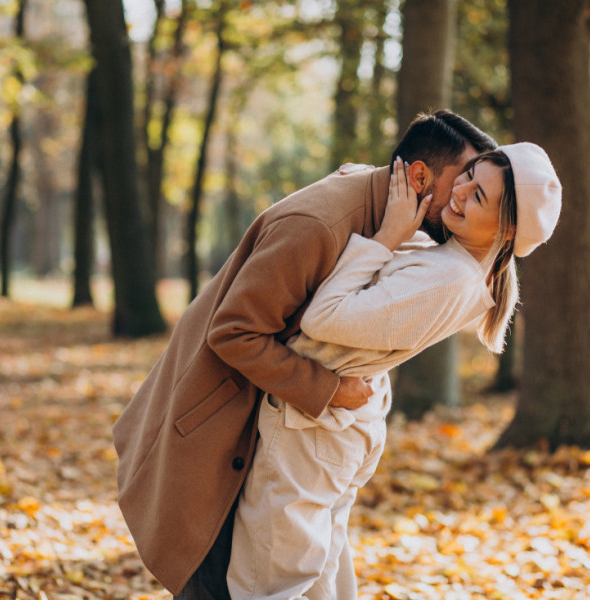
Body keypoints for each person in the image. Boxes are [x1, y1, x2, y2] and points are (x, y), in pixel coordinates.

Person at [112, 110, 496, 599]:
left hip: (257, 424)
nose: (462, 198)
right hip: (211, 426)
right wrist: (330, 390)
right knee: (214, 585)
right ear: (418, 176)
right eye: (460, 181)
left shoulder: (380, 206)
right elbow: (234, 333)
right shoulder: (318, 226)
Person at [225, 143, 562, 599]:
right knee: (319, 575)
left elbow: (323, 318)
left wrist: (384, 237)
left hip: (310, 434)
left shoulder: (446, 278)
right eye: (468, 176)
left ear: (509, 230)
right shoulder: (453, 260)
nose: (458, 192)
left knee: (268, 584)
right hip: (329, 431)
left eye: (479, 196)